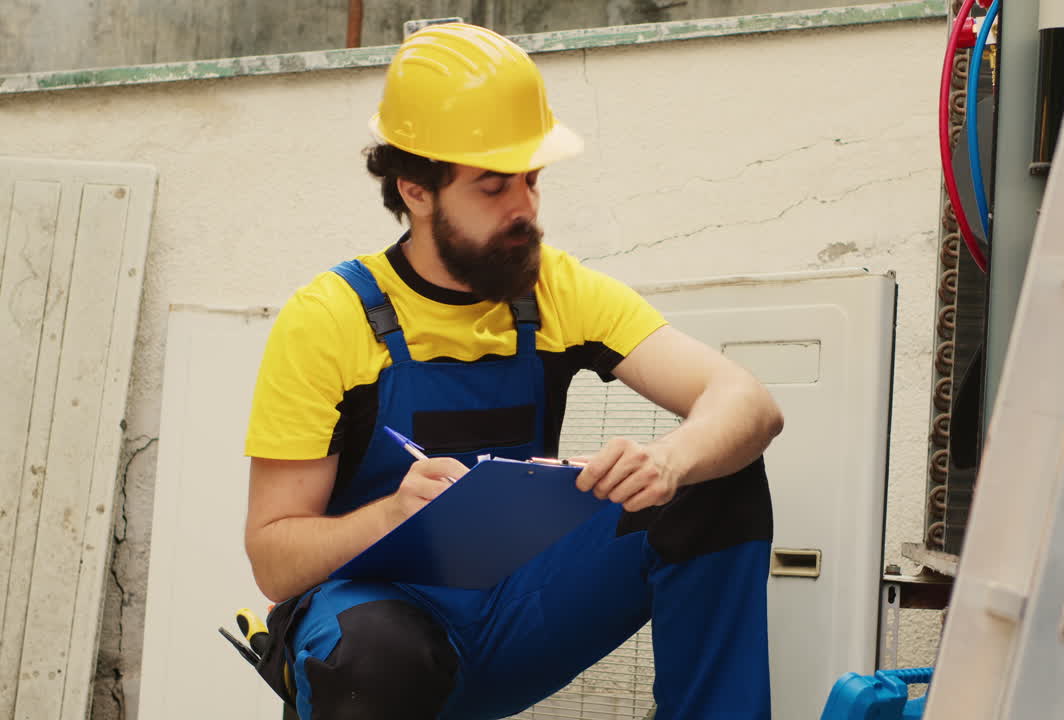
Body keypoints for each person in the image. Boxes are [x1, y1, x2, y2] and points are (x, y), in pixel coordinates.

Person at [243, 22, 783, 720]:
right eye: (494, 187)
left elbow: (747, 402)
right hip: (374, 628)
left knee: (717, 478)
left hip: (514, 608)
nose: (524, 208)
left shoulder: (554, 289)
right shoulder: (329, 319)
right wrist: (392, 515)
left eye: (531, 180)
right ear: (416, 189)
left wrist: (668, 463)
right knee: (379, 657)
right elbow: (274, 559)